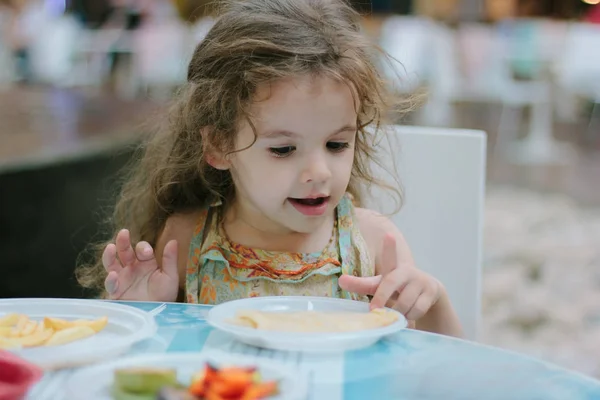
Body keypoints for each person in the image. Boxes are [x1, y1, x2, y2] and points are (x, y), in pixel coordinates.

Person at [76, 0, 463, 338]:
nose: (319, 171)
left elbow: (446, 368)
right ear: (220, 146)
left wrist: (433, 304)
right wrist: (143, 314)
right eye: (283, 149)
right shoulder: (187, 239)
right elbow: (164, 368)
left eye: (336, 144)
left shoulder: (373, 242)